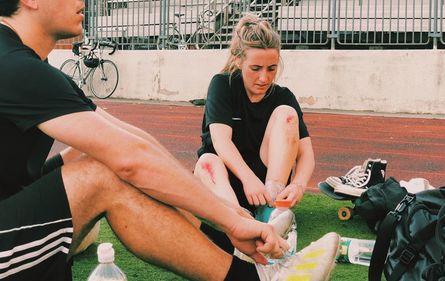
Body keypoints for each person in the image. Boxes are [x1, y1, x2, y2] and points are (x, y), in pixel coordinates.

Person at [0, 1, 339, 281]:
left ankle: (230, 247)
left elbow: (131, 139)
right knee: (104, 177)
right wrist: (232, 220)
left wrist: (228, 212)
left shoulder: (26, 62)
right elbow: (132, 158)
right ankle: (257, 279)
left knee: (100, 157)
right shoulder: (13, 65)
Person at [195, 14, 314, 217]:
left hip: (266, 188)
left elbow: (306, 154)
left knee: (287, 114)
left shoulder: (284, 97)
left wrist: (298, 185)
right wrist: (248, 180)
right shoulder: (223, 85)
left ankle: (269, 213)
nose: (264, 77)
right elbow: (221, 142)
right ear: (238, 60)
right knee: (207, 161)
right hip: (224, 183)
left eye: (272, 69)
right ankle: (239, 221)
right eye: (256, 68)